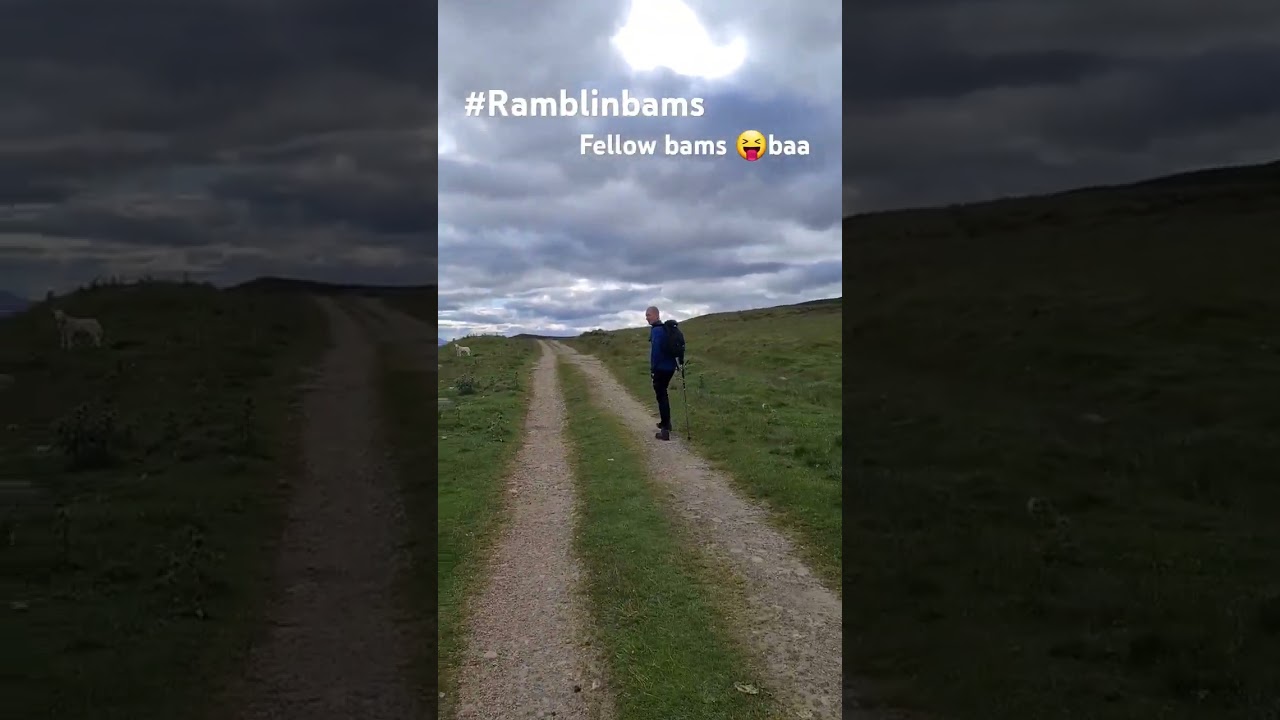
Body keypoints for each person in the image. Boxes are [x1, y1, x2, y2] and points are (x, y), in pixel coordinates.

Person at [645, 305, 678, 440]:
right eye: (646, 315)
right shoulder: (665, 329)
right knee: (663, 394)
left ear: (657, 315)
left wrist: (653, 369)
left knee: (661, 396)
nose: (647, 318)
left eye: (649, 315)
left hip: (661, 368)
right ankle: (666, 423)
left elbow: (656, 352)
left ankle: (665, 431)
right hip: (670, 367)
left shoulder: (657, 331)